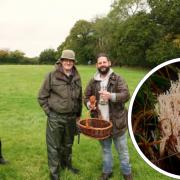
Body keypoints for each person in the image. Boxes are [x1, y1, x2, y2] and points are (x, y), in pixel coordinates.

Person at [84, 53, 132, 180]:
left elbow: (126, 95)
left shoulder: (118, 78)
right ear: (96, 65)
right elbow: (86, 97)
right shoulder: (93, 81)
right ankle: (107, 171)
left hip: (117, 122)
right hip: (101, 124)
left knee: (123, 151)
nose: (102, 65)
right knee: (106, 150)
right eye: (100, 63)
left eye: (104, 62)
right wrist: (90, 105)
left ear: (109, 63)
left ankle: (127, 173)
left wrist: (111, 96)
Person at [38, 49, 82, 180]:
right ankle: (54, 174)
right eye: (66, 60)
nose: (68, 62)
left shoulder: (77, 76)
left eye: (71, 60)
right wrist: (49, 113)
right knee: (54, 147)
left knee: (68, 145)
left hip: (71, 117)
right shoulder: (51, 75)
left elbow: (79, 98)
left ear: (74, 62)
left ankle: (67, 165)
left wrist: (78, 116)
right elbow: (41, 97)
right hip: (55, 117)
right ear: (61, 61)